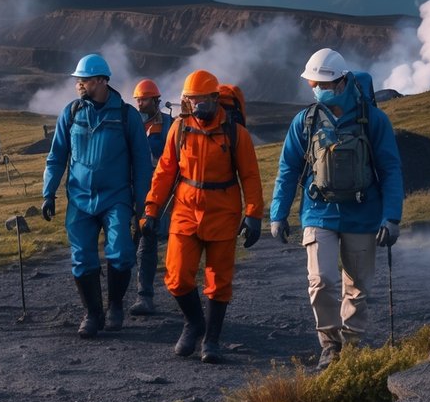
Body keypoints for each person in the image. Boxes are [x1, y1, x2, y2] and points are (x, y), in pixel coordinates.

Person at [269, 48, 404, 370]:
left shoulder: (373, 120)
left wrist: (392, 216)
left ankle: (352, 345)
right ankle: (330, 345)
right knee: (322, 281)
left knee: (357, 288)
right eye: (314, 83)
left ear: (342, 82)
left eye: (323, 83)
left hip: (364, 214)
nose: (317, 88)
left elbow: (390, 169)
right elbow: (288, 169)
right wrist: (278, 213)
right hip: (319, 213)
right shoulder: (305, 120)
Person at [142, 70, 264, 361]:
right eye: (190, 100)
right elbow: (164, 172)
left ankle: (212, 339)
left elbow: (250, 176)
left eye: (200, 100)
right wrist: (151, 208)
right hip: (185, 209)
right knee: (176, 276)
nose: (196, 105)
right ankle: (194, 322)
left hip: (223, 211)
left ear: (214, 99)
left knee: (219, 281)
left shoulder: (237, 134)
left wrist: (254, 215)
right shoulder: (179, 129)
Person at [42, 54, 152, 338]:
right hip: (79, 200)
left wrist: (143, 205)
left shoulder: (127, 116)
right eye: (78, 80)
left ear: (102, 81)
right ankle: (93, 313)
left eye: (85, 80)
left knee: (121, 252)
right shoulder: (71, 113)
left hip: (116, 198)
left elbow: (141, 164)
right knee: (81, 257)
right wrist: (48, 193)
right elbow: (56, 157)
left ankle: (115, 306)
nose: (79, 85)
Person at [129, 78, 175, 315]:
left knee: (148, 240)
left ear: (155, 100)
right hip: (134, 191)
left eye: (144, 99)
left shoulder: (169, 125)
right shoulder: (131, 125)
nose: (140, 104)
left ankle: (144, 296)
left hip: (160, 193)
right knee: (135, 242)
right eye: (137, 99)